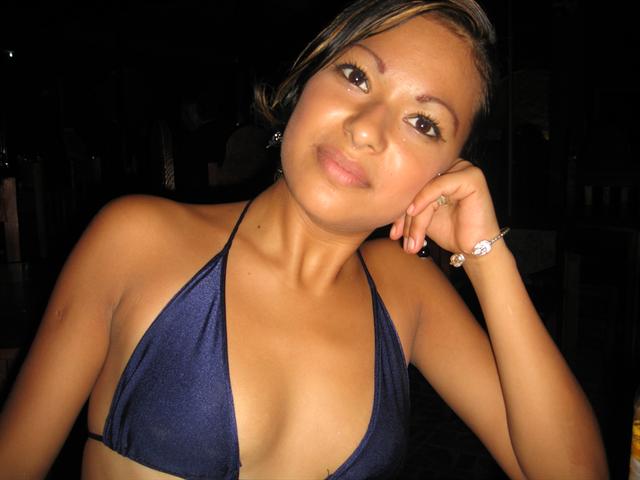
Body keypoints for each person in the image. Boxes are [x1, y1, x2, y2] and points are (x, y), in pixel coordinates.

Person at [0, 0, 608, 478]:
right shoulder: (137, 240)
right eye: (356, 75)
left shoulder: (408, 292)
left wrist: (486, 255)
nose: (367, 130)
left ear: (447, 173)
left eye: (423, 123)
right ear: (306, 81)